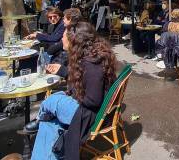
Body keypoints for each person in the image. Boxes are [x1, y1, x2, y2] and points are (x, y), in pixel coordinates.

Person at [26, 22, 117, 160]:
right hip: (88, 110)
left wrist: (72, 96)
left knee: (53, 101)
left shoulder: (92, 64)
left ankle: (41, 116)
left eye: (64, 36)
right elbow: (85, 83)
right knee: (49, 124)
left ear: (74, 40)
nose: (61, 39)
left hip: (90, 115)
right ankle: (43, 121)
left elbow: (93, 100)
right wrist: (65, 74)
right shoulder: (91, 57)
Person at [45, 8, 82, 78]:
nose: (63, 20)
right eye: (50, 17)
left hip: (62, 61)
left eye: (64, 18)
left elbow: (52, 49)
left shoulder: (72, 31)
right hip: (61, 60)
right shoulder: (70, 28)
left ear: (70, 19)